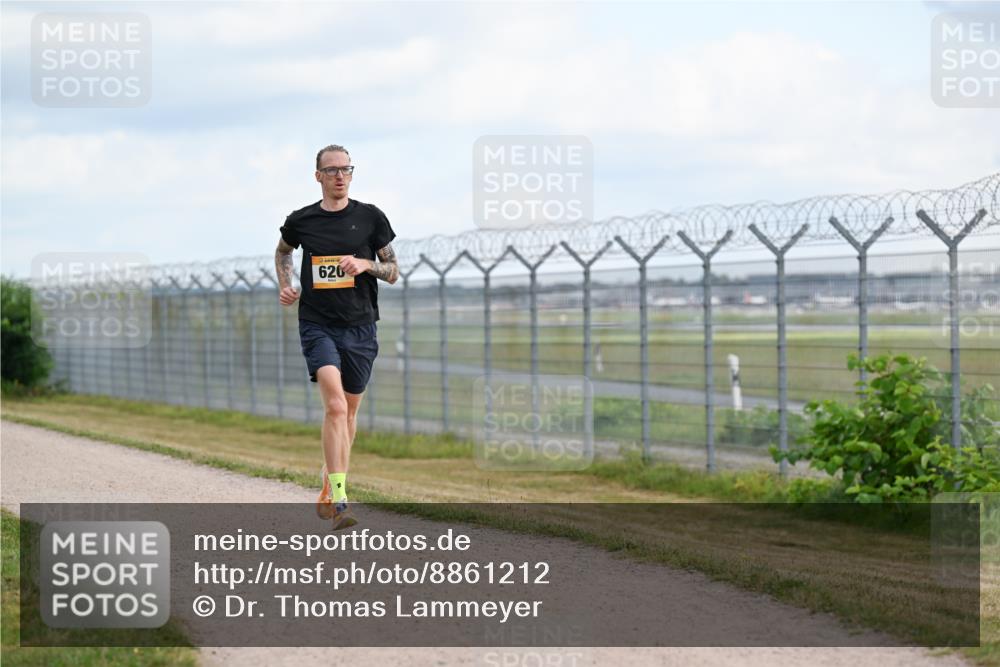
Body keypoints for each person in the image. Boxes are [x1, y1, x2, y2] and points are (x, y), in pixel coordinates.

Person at [275, 144, 398, 530]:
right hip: (318, 325)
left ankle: (330, 483)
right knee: (335, 407)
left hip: (361, 325)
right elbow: (283, 252)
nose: (340, 176)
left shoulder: (370, 217)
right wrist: (286, 284)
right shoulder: (302, 220)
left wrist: (365, 264)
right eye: (331, 170)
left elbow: (393, 270)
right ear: (319, 177)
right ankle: (342, 501)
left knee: (350, 412)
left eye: (346, 169)